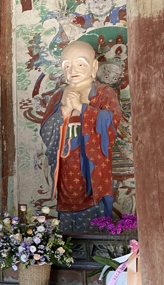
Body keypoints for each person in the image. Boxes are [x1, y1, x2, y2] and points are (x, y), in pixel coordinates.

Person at [40, 40, 121, 231]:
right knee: (66, 210)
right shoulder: (58, 96)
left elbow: (113, 121)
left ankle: (96, 250)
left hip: (92, 162)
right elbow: (45, 130)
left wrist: (82, 109)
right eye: (66, 65)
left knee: (94, 205)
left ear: (94, 67)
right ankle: (68, 250)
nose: (72, 70)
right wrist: (64, 112)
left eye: (80, 64)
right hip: (66, 160)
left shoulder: (104, 93)